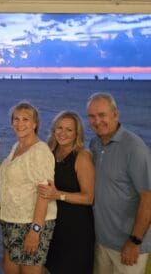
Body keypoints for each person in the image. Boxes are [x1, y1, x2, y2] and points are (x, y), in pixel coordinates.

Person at [87, 92, 151, 274]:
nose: (97, 121)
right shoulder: (95, 144)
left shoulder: (135, 148)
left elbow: (148, 197)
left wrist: (135, 241)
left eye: (102, 115)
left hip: (128, 246)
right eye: (91, 116)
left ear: (115, 114)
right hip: (101, 242)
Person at [0, 102, 57, 274]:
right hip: (12, 221)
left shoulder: (40, 151)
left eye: (25, 119)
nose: (20, 123)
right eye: (16, 119)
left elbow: (44, 194)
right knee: (9, 269)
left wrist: (35, 231)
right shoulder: (17, 146)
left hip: (31, 224)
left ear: (35, 124)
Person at [38, 111, 95, 273]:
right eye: (60, 128)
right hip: (54, 227)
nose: (63, 133)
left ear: (77, 133)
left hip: (76, 230)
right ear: (54, 129)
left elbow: (89, 197)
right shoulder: (50, 153)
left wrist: (58, 195)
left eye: (69, 130)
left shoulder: (82, 157)